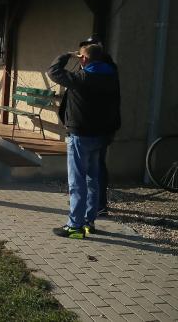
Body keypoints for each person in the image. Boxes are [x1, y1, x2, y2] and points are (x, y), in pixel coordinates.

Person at [47, 43, 121, 239]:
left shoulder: (82, 77)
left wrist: (66, 54)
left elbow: (53, 71)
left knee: (77, 181)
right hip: (101, 135)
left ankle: (75, 226)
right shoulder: (112, 76)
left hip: (80, 136)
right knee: (93, 180)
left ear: (84, 59)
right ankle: (89, 222)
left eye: (81, 57)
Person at [78, 36, 118, 217]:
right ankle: (92, 204)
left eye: (84, 51)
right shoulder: (99, 68)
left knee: (95, 169)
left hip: (96, 127)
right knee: (92, 169)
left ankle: (98, 205)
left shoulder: (101, 70)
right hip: (97, 125)